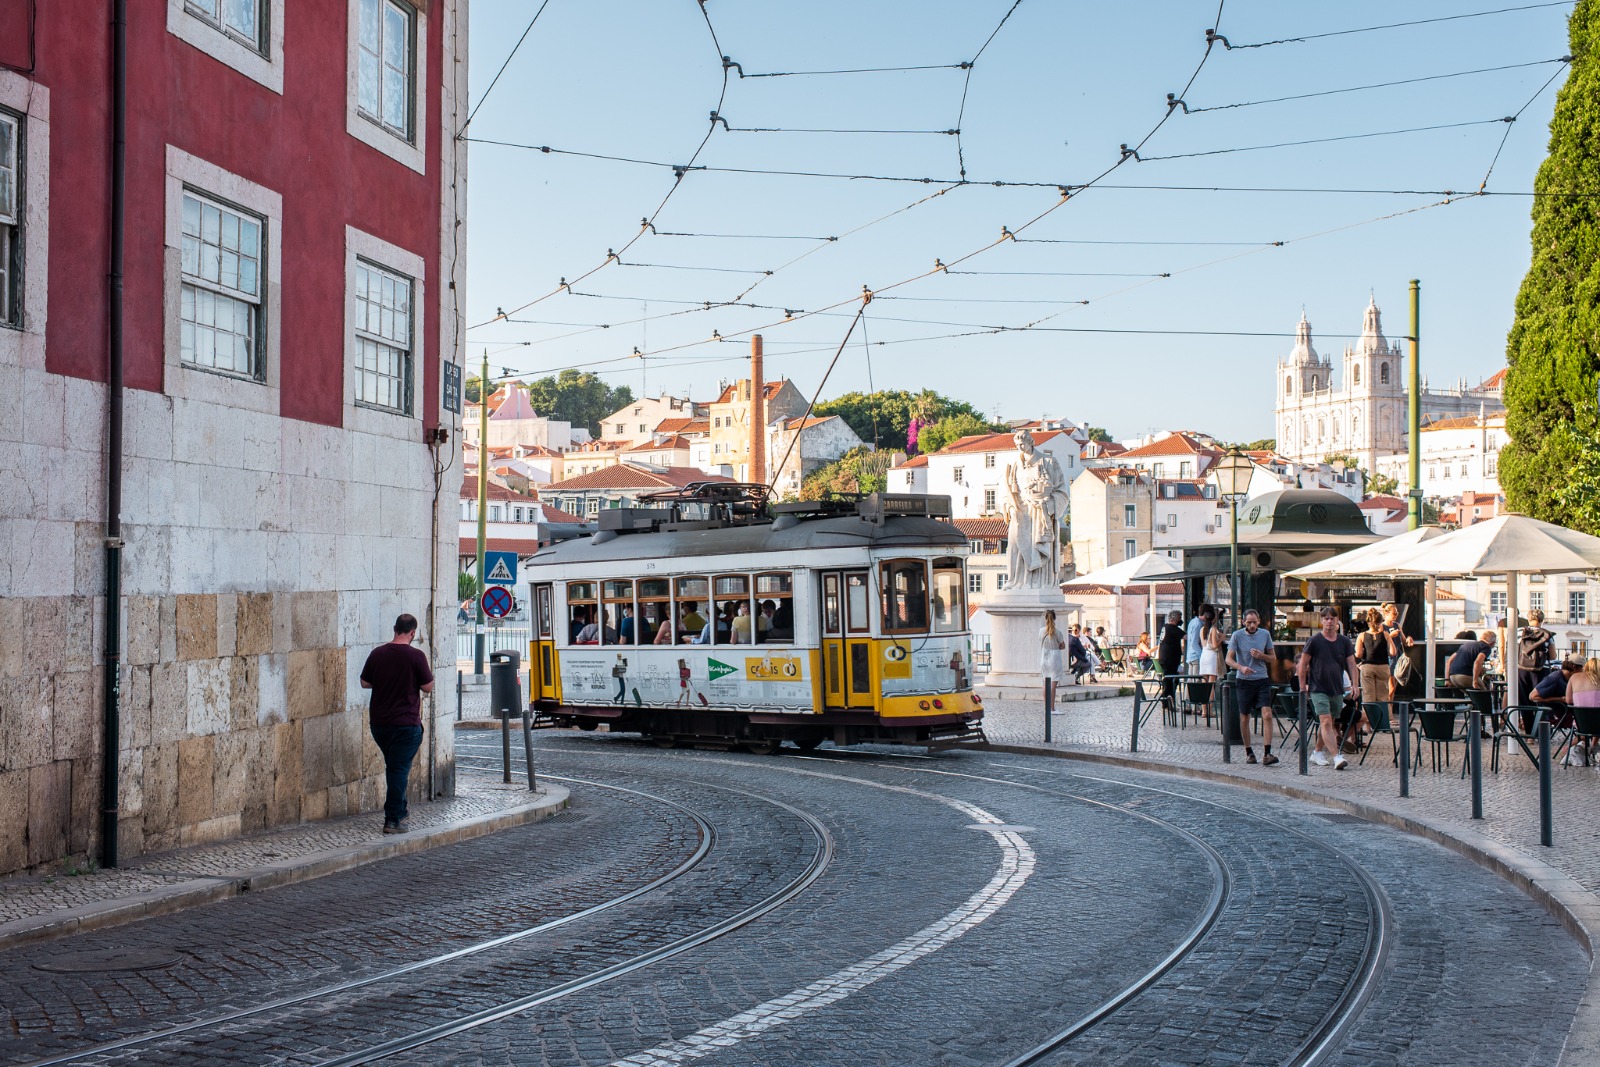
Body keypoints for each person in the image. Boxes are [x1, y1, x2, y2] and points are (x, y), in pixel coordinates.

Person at [359, 613, 435, 834]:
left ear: (395, 628)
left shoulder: (377, 653)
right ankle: (392, 819)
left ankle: (400, 810)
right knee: (399, 770)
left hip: (380, 724)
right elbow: (428, 686)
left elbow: (365, 682)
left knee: (394, 768)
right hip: (406, 724)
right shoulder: (416, 656)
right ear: (413, 633)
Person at [1298, 606, 1359, 771]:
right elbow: (1302, 664)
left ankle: (1317, 752)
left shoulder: (1344, 641)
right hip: (1318, 688)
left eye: (1332, 618)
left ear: (1337, 621)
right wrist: (1302, 686)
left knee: (1330, 724)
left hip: (1337, 688)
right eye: (1326, 618)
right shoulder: (1314, 641)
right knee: (1325, 722)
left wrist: (1354, 684)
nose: (1329, 621)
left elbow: (1352, 664)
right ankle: (1336, 756)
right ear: (1321, 621)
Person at [1226, 609, 1278, 766]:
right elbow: (1228, 658)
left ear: (1259, 621)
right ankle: (1249, 752)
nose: (1252, 625)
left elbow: (1273, 658)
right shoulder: (1237, 635)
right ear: (1243, 622)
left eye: (1254, 622)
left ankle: (1267, 753)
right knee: (1244, 717)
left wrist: (1262, 656)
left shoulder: (1265, 635)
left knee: (1267, 714)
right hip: (1244, 680)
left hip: (1262, 679)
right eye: (1249, 622)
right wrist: (1240, 668)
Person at [1565, 658, 1600, 764]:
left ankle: (1568, 750)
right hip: (1598, 724)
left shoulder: (1574, 677)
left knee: (1590, 724)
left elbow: (1568, 700)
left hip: (1581, 723)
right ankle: (1593, 745)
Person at [1355, 608, 1392, 705]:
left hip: (1367, 666)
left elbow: (1358, 654)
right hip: (1383, 666)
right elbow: (1393, 652)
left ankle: (1369, 719)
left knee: (1368, 697)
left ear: (1368, 622)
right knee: (1383, 697)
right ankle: (1384, 719)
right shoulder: (1386, 635)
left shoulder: (1362, 635)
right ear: (1381, 622)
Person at [1519, 609, 1556, 698]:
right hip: (1541, 668)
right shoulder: (1547, 634)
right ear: (1541, 620)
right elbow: (1553, 656)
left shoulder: (1519, 632)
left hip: (1521, 668)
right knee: (1538, 697)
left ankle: (1524, 712)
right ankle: (1538, 712)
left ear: (1528, 619)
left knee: (1523, 699)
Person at [1198, 610, 1224, 724]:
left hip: (1203, 656)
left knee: (1204, 684)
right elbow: (1214, 645)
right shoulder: (1213, 629)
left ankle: (1204, 711)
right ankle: (1210, 710)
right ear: (1213, 619)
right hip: (1212, 656)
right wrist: (1221, 639)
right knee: (1211, 685)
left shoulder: (1201, 629)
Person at [1157, 609, 1185, 714]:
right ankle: (1165, 700)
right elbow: (1186, 637)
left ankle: (1168, 703)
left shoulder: (1165, 627)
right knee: (1170, 682)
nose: (1180, 621)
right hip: (1170, 660)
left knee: (1171, 681)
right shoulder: (1172, 628)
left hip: (1166, 659)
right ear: (1173, 620)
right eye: (1179, 619)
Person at [1041, 610, 1067, 709]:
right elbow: (1063, 645)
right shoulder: (1058, 632)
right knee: (1053, 683)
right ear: (1055, 618)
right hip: (1054, 656)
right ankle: (1052, 707)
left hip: (1044, 655)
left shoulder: (1041, 631)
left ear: (1045, 618)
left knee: (1045, 682)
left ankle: (1046, 707)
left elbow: (1041, 641)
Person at [1185, 604, 1212, 678]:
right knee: (1196, 681)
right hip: (1196, 657)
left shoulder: (1193, 621)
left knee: (1190, 682)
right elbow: (1195, 642)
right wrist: (1202, 656)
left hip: (1190, 656)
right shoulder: (1198, 624)